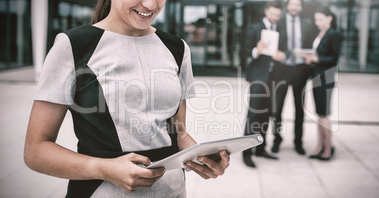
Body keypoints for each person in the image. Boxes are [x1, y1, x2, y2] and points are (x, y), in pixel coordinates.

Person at [23, 0, 230, 197]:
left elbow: (179, 135)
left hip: (173, 192)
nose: (150, 5)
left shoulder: (177, 48)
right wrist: (104, 169)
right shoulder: (73, 45)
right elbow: (36, 150)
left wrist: (202, 159)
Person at [242, 1, 283, 168]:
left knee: (267, 114)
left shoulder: (281, 29)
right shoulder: (254, 28)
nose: (275, 17)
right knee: (254, 115)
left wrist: (282, 55)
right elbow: (245, 50)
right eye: (272, 14)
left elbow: (284, 50)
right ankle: (247, 153)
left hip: (275, 77)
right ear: (266, 11)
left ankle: (260, 149)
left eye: (278, 15)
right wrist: (256, 50)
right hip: (258, 77)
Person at [271, 0, 315, 155]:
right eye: (292, 4)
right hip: (282, 70)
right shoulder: (279, 22)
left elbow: (312, 44)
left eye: (297, 4)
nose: (294, 7)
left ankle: (298, 142)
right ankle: (277, 140)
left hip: (300, 70)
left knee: (299, 108)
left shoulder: (308, 23)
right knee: (277, 108)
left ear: (301, 7)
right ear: (287, 6)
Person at [303, 6, 341, 161]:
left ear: (329, 18)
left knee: (324, 115)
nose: (317, 23)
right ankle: (319, 146)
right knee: (319, 114)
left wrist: (317, 59)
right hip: (317, 77)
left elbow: (334, 58)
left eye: (320, 19)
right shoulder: (320, 34)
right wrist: (310, 59)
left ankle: (328, 148)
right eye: (316, 20)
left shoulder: (333, 34)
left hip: (327, 79)